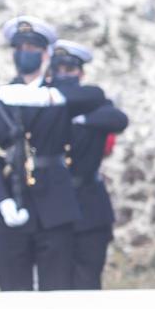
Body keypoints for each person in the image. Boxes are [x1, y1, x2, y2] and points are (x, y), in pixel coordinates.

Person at [0, 16, 109, 291]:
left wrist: (48, 98)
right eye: (20, 48)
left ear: (45, 53)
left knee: (57, 290)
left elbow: (96, 97)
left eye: (33, 48)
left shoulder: (59, 94)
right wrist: (2, 202)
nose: (26, 53)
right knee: (14, 292)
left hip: (55, 203)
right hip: (14, 201)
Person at [49, 42, 129, 290]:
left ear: (80, 73)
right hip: (52, 203)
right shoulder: (44, 100)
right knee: (55, 282)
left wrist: (82, 120)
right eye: (59, 68)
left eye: (70, 69)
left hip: (88, 203)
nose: (64, 74)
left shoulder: (92, 102)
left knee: (88, 280)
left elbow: (118, 118)